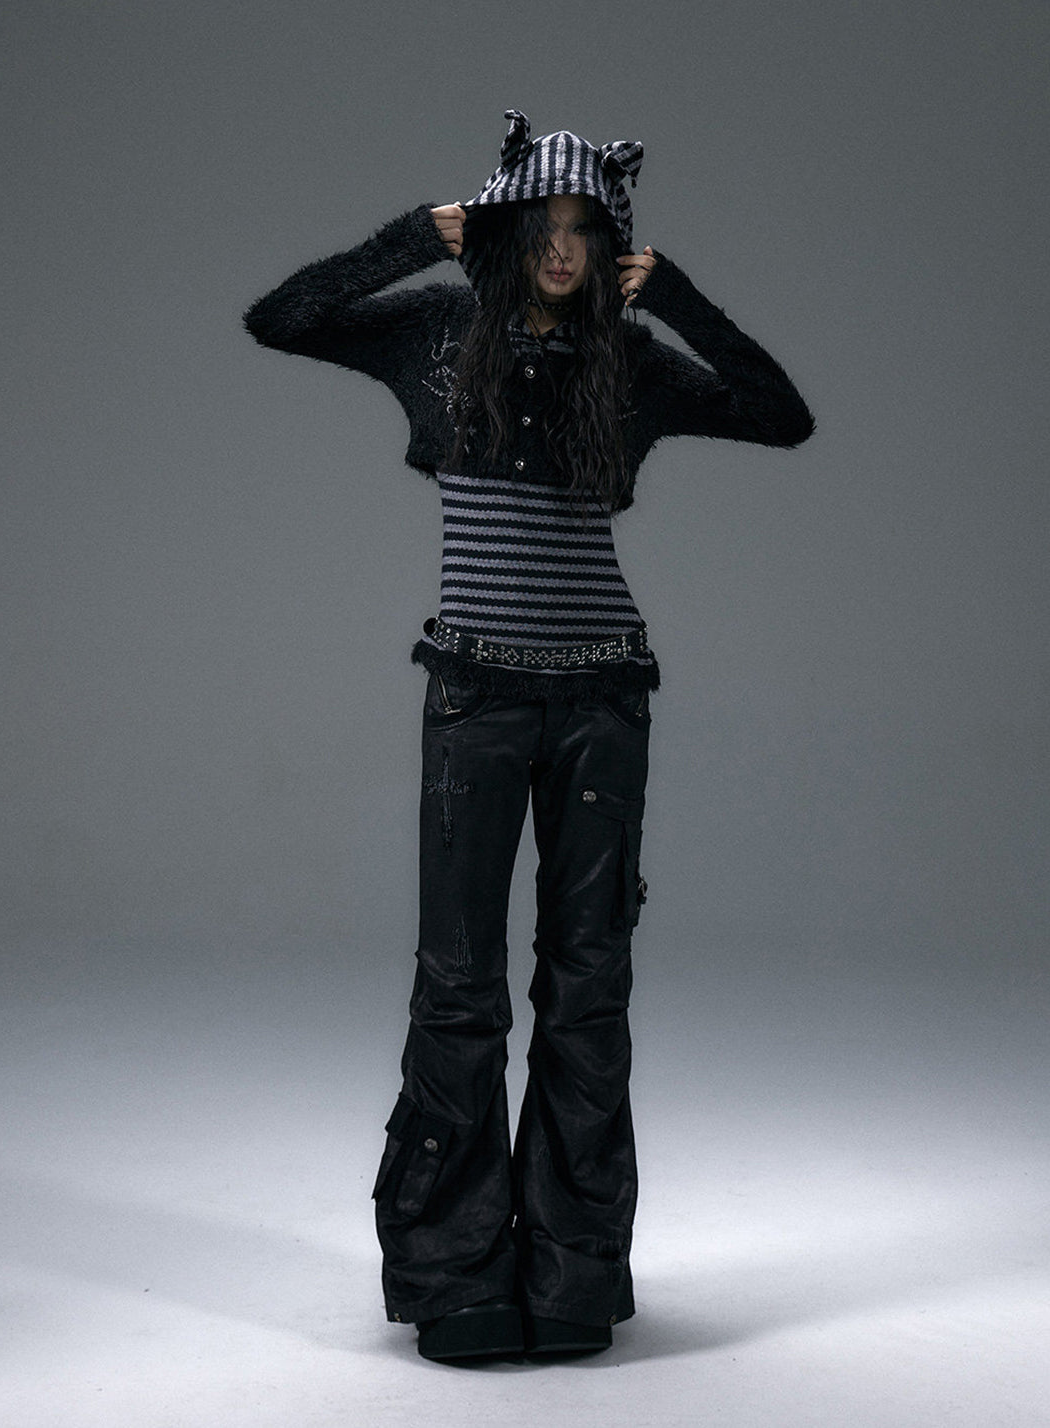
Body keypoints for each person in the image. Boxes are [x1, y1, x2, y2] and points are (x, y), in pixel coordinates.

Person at [243, 110, 814, 1362]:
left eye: (583, 229)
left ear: (609, 242)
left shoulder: (631, 360)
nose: (561, 249)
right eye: (541, 226)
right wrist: (413, 236)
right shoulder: (436, 336)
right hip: (476, 700)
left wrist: (681, 297)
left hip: (604, 700)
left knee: (587, 989)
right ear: (506, 232)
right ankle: (455, 1275)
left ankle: (573, 1272)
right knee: (459, 990)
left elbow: (783, 416)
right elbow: (279, 318)